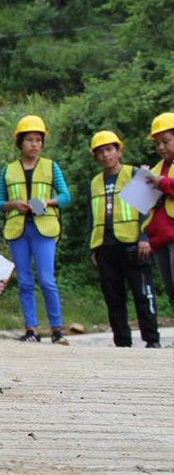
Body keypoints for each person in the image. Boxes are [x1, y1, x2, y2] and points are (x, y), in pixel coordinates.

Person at [0, 115, 72, 344]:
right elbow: (0, 202)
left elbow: (66, 196)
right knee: (25, 281)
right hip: (19, 229)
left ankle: (56, 329)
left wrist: (47, 203)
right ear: (20, 143)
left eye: (38, 140)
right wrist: (13, 205)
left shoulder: (51, 166)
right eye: (30, 139)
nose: (35, 144)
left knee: (47, 280)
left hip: (44, 228)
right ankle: (31, 329)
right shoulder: (8, 170)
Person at [86, 131, 161, 348]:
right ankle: (122, 341)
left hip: (133, 243)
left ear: (119, 151)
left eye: (109, 150)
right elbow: (92, 214)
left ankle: (151, 339)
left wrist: (144, 237)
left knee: (142, 293)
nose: (105, 155)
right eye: (100, 152)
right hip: (105, 245)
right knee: (113, 297)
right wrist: (93, 247)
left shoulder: (134, 174)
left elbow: (146, 208)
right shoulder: (95, 182)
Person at [144, 112, 174, 309]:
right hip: (159, 237)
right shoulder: (155, 169)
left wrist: (161, 183)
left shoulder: (159, 175)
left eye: (166, 141)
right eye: (157, 143)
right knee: (171, 290)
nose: (161, 147)